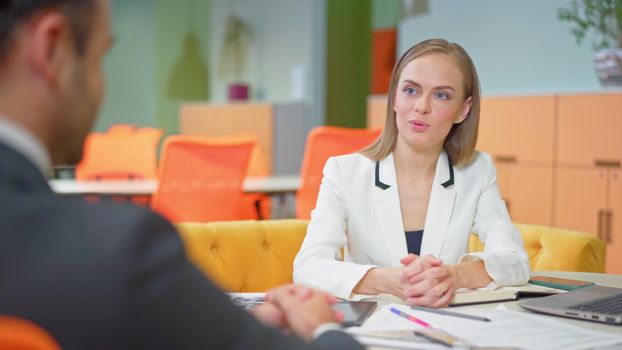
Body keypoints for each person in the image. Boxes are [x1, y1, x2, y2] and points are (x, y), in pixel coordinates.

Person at [0, 1, 364, 349]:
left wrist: (218, 327)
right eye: (100, 58)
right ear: (52, 48)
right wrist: (324, 328)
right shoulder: (122, 256)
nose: (101, 87)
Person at [293, 39, 530, 307]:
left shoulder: (477, 171)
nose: (422, 106)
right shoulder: (344, 172)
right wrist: (389, 280)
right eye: (410, 90)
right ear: (394, 97)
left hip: (448, 327)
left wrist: (454, 276)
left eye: (441, 95)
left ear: (463, 110)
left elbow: (515, 262)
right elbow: (308, 267)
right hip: (371, 332)